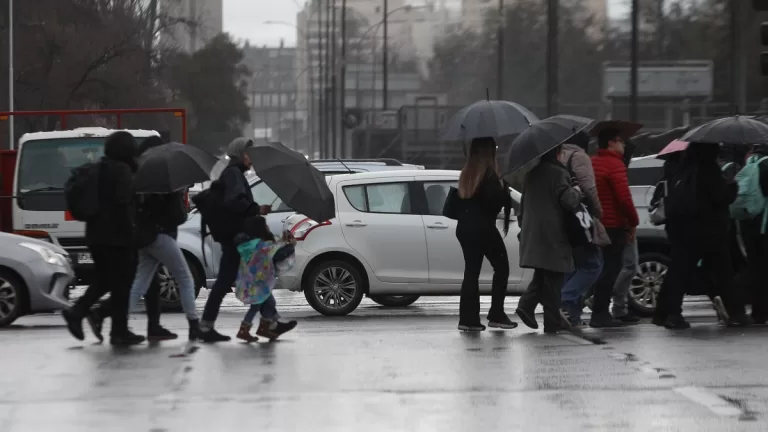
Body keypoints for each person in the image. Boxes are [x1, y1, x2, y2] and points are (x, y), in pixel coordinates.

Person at [86, 136, 201, 342]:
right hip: (160, 236)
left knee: (139, 284)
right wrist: (178, 194)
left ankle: (114, 320)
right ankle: (194, 324)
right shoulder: (161, 181)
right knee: (184, 278)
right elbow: (176, 215)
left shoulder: (138, 175)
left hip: (143, 238)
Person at [198, 137, 293, 342]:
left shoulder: (234, 173)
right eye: (248, 154)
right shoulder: (233, 173)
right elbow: (234, 201)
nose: (251, 158)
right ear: (238, 154)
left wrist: (256, 209)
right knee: (250, 277)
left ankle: (270, 323)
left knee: (258, 276)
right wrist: (256, 209)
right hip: (237, 238)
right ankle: (206, 327)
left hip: (236, 237)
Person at [61, 131, 143, 346]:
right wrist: (132, 233)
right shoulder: (122, 171)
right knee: (122, 284)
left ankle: (80, 313)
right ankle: (118, 331)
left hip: (97, 236)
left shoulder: (100, 168)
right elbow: (122, 205)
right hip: (117, 238)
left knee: (106, 280)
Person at [659, 143, 744, 329]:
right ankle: (736, 313)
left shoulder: (681, 170)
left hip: (682, 229)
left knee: (678, 272)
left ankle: (670, 314)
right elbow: (720, 198)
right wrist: (732, 187)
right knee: (723, 272)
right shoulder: (710, 170)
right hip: (710, 230)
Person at [516, 145, 582, 334]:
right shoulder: (558, 173)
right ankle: (551, 322)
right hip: (553, 235)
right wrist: (577, 190)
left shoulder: (531, 174)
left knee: (543, 274)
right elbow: (568, 201)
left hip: (534, 233)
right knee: (554, 279)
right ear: (557, 153)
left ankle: (527, 306)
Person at [454, 137, 516, 332]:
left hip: (465, 228)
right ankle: (496, 314)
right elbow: (493, 203)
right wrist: (503, 187)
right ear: (489, 152)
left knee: (471, 272)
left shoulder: (467, 173)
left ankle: (468, 319)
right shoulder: (489, 176)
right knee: (502, 268)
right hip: (483, 228)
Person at [590, 128, 639, 328]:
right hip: (614, 224)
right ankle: (600, 314)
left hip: (597, 223)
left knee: (601, 268)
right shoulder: (614, 164)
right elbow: (624, 198)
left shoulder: (593, 162)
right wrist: (633, 221)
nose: (623, 145)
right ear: (611, 142)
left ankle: (597, 310)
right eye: (621, 141)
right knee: (611, 269)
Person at [558, 131, 607, 327]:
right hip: (580, 216)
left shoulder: (558, 155)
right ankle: (564, 300)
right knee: (592, 264)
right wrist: (598, 209)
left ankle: (573, 317)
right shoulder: (579, 156)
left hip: (562, 218)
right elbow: (589, 187)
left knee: (572, 267)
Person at [233, 216, 298, 342]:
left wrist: (283, 242)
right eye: (266, 226)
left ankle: (267, 327)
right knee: (257, 305)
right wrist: (290, 246)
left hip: (250, 281)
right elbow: (276, 254)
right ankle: (246, 329)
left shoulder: (250, 245)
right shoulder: (260, 246)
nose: (268, 227)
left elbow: (271, 249)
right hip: (258, 283)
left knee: (268, 303)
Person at [609, 137, 642, 324]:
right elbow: (623, 199)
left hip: (612, 222)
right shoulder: (617, 167)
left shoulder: (604, 163)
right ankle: (616, 305)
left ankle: (617, 305)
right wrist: (632, 223)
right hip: (620, 223)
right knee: (629, 265)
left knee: (615, 266)